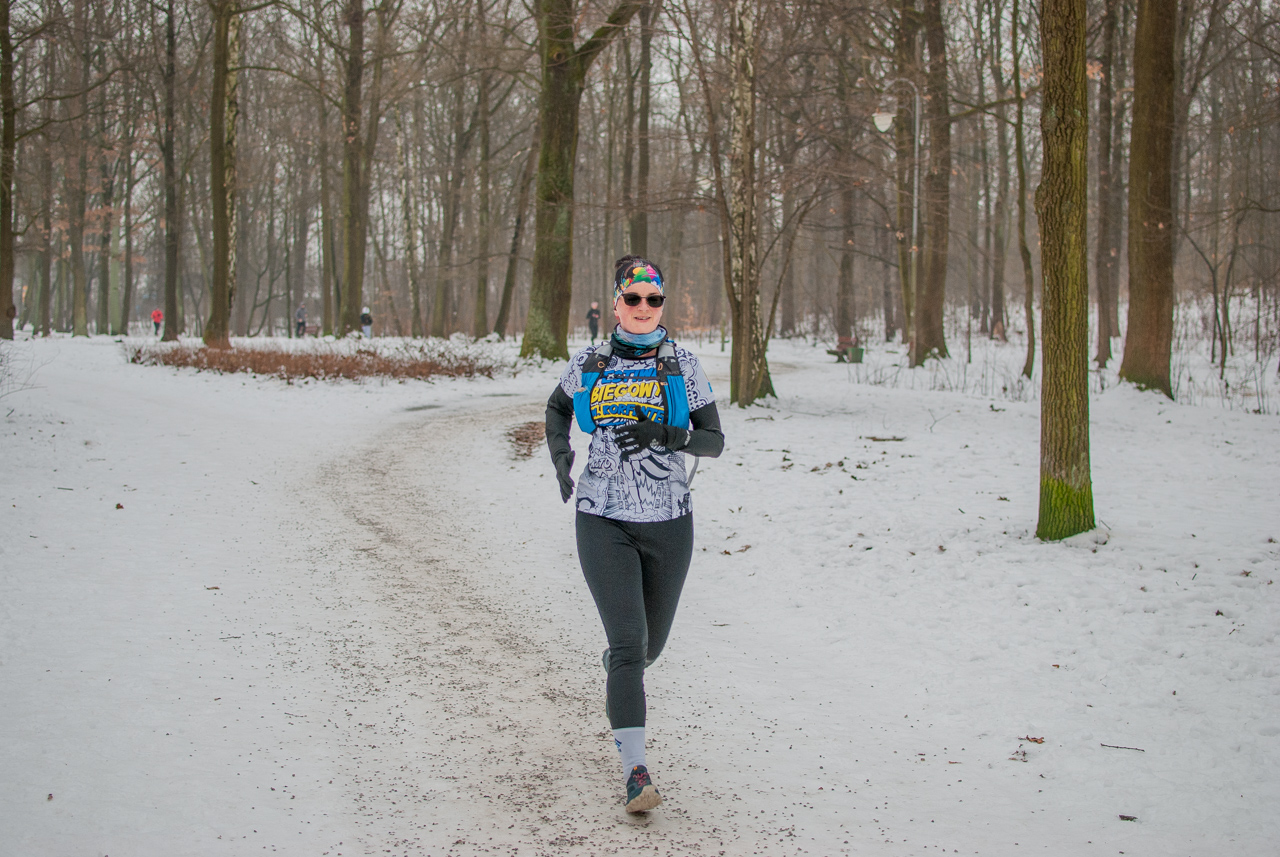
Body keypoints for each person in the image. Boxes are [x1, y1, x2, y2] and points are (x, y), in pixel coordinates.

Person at [545, 255, 724, 813]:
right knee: (628, 645)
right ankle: (635, 772)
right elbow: (555, 408)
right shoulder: (589, 361)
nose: (643, 308)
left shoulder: (684, 366)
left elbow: (713, 441)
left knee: (650, 646)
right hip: (602, 516)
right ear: (616, 302)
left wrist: (667, 434)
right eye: (633, 298)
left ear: (662, 306)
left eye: (654, 300)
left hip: (670, 521)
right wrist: (560, 456)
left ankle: (622, 674)